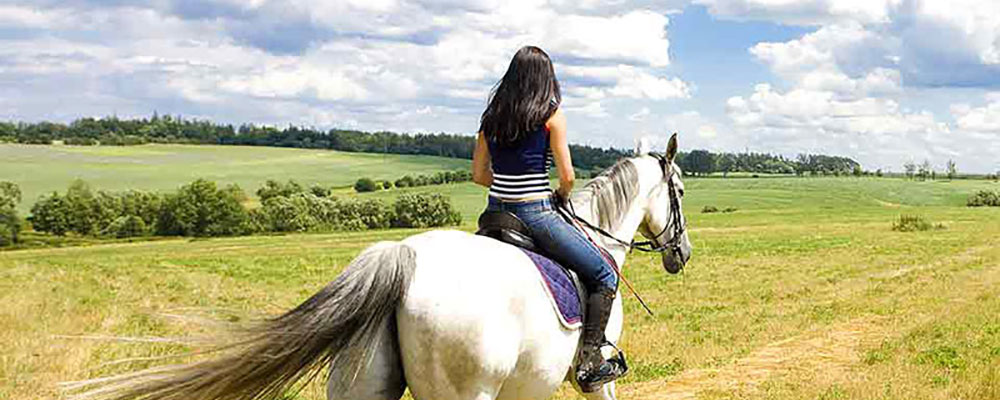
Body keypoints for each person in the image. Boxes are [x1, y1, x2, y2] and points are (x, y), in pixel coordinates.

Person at [471, 45, 623, 393]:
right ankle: (589, 361)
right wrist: (559, 196)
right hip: (535, 213)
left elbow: (479, 175)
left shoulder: (490, 118)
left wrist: (507, 182)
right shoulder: (551, 116)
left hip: (494, 215)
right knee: (603, 272)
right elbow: (567, 176)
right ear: (546, 78)